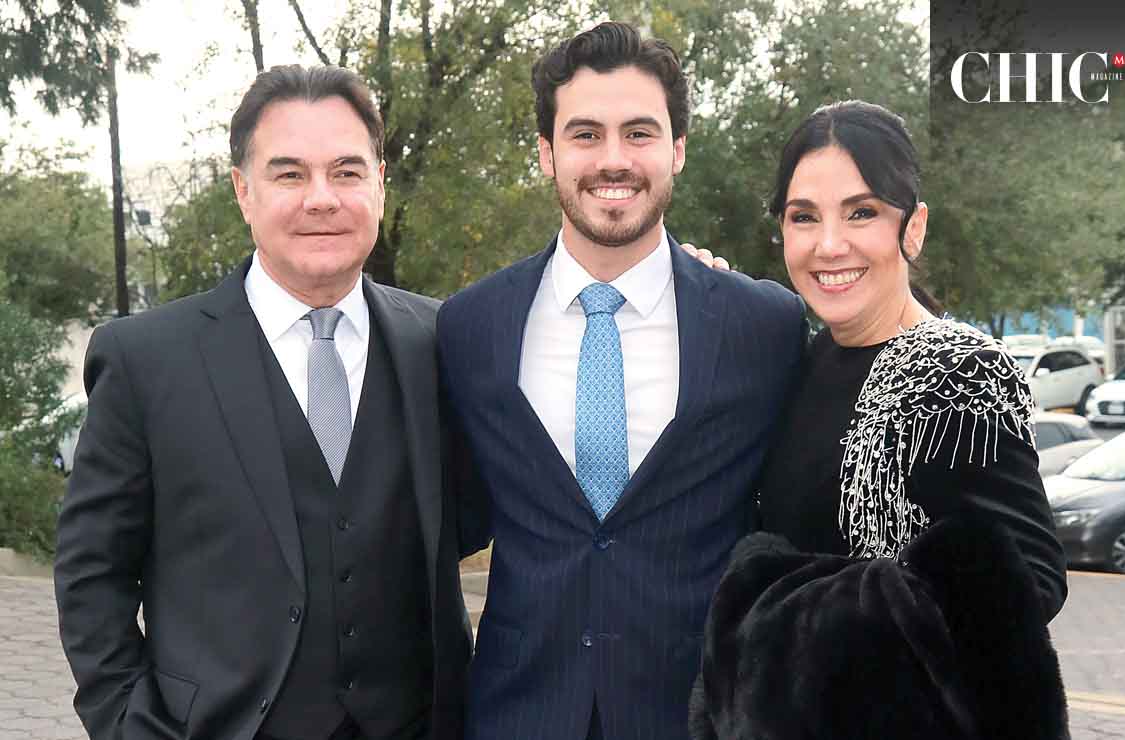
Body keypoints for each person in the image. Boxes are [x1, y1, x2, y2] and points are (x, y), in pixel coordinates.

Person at [55, 65, 479, 740]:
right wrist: (129, 726)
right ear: (242, 191)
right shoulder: (146, 359)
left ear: (379, 182)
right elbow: (92, 572)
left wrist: (688, 290)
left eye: (346, 171)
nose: (322, 198)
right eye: (289, 174)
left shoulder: (450, 340)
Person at [436, 22, 809, 740]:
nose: (614, 160)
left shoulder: (764, 328)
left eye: (639, 133)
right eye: (585, 134)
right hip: (518, 712)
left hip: (704, 714)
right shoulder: (470, 327)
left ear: (677, 150)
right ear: (546, 154)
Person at [690, 100, 1069, 738]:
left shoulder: (957, 374)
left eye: (862, 213)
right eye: (803, 217)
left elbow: (1029, 584)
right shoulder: (807, 360)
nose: (829, 244)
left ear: (912, 228)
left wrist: (775, 612)